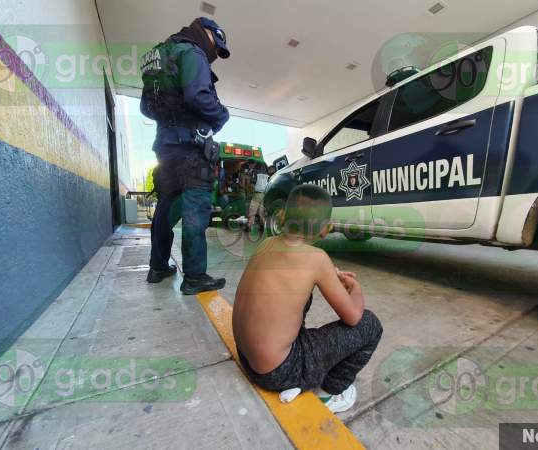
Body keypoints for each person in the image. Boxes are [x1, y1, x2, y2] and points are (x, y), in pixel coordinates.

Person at [232, 185, 383, 412]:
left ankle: (297, 376)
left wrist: (328, 274)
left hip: (246, 358)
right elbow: (353, 317)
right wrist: (356, 288)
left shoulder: (266, 243)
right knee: (370, 325)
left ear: (282, 216)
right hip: (277, 372)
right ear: (326, 230)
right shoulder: (317, 259)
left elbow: (296, 275)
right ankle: (329, 394)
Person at [142, 17, 231, 295]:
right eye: (217, 47)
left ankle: (157, 267)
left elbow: (146, 107)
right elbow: (197, 96)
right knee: (195, 210)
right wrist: (222, 116)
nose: (215, 55)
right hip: (191, 147)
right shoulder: (192, 53)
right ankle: (194, 276)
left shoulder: (162, 56)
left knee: (166, 207)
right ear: (206, 33)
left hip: (165, 147)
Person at [245, 164, 269, 229]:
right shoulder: (267, 174)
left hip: (257, 194)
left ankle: (249, 226)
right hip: (264, 194)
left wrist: (250, 191)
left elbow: (253, 183)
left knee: (252, 210)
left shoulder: (256, 173)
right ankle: (262, 226)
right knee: (261, 211)